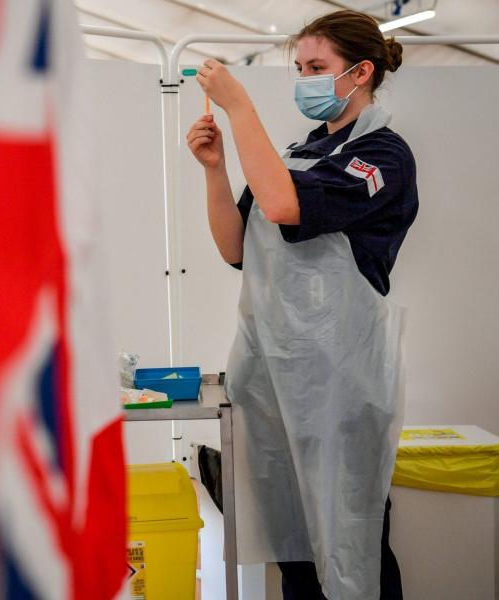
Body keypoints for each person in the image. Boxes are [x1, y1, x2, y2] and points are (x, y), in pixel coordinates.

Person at [185, 10, 418, 600]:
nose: (305, 80)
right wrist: (215, 172)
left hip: (339, 385)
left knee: (348, 542)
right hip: (273, 383)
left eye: (318, 68)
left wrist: (240, 108)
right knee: (293, 547)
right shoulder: (293, 151)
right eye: (300, 69)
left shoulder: (384, 157)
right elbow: (234, 246)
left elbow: (288, 209)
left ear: (361, 73)